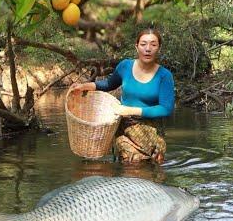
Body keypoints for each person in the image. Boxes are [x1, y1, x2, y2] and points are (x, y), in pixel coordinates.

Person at [71, 28, 175, 164]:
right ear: (136, 47)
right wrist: (86, 86)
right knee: (131, 167)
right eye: (143, 44)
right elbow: (109, 84)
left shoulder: (164, 75)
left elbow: (166, 109)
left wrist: (130, 110)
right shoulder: (125, 66)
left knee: (151, 170)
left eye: (153, 45)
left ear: (159, 48)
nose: (148, 49)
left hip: (151, 132)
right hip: (125, 129)